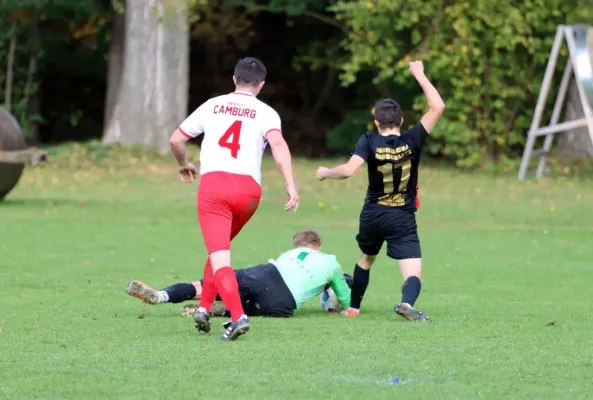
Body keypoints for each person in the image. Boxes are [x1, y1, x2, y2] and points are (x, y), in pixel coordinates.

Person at [169, 57, 299, 341]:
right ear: (261, 85)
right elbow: (278, 145)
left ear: (234, 79)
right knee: (219, 252)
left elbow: (176, 139)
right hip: (249, 192)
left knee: (220, 257)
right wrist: (291, 184)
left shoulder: (212, 105)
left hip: (215, 188)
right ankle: (204, 309)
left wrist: (183, 164)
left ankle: (238, 316)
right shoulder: (267, 112)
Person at [315, 60, 445, 322]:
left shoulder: (368, 140)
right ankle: (406, 303)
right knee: (412, 275)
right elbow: (438, 106)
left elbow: (350, 170)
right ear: (401, 120)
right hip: (402, 218)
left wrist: (326, 172)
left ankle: (354, 308)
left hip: (373, 215)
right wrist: (419, 74)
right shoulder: (413, 138)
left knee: (366, 259)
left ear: (376, 122)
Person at [125, 230, 351, 321]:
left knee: (209, 285)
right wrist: (348, 307)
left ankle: (162, 295)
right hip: (282, 304)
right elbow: (345, 296)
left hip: (265, 275)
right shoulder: (332, 262)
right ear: (318, 245)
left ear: (299, 246)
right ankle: (222, 310)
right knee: (249, 307)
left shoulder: (291, 253)